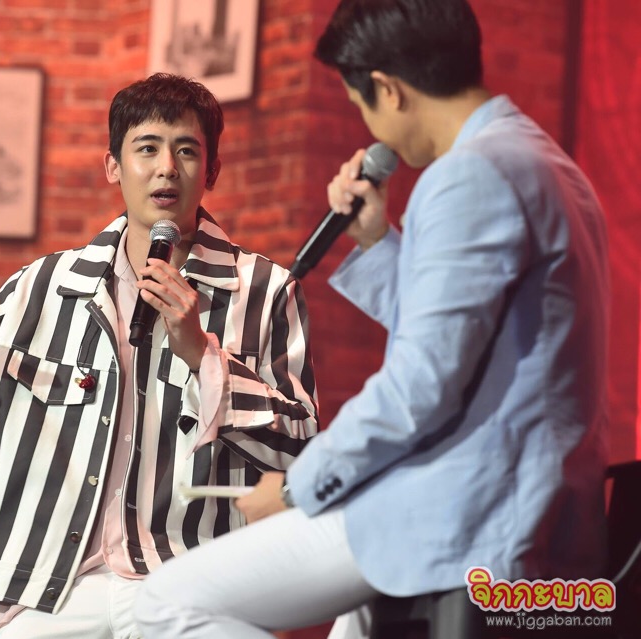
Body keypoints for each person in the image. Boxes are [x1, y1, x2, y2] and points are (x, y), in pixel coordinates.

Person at [134, 1, 610, 637]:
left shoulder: (469, 175)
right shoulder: (544, 161)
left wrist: (301, 484)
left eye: (361, 105)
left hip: (464, 504)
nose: (370, 127)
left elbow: (421, 385)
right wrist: (378, 241)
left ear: (388, 88)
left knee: (164, 602)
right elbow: (471, 342)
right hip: (532, 498)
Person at [0, 73, 319, 638]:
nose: (167, 167)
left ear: (211, 170)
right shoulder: (42, 286)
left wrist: (202, 356)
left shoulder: (265, 291)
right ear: (113, 166)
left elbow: (303, 449)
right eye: (146, 148)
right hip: (55, 594)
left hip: (191, 582)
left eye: (186, 150)